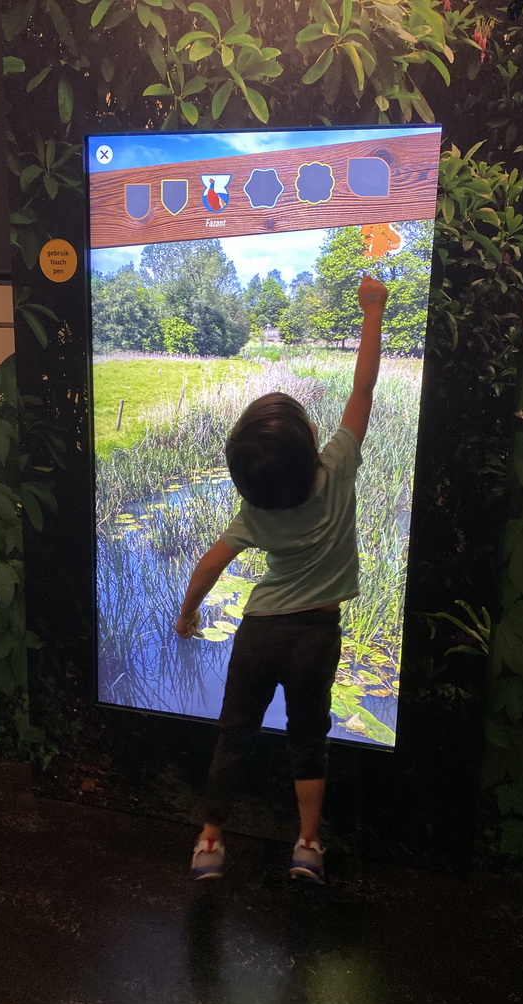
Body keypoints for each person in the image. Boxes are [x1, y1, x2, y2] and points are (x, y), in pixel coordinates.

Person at [176, 273, 389, 884]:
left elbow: (209, 565)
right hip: (315, 637)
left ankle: (211, 842)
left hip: (259, 633)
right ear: (311, 446)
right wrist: (371, 310)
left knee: (234, 735)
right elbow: (364, 389)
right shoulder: (337, 468)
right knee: (308, 738)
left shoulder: (253, 513)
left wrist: (189, 612)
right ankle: (307, 845)